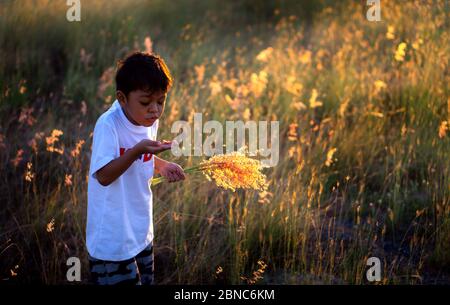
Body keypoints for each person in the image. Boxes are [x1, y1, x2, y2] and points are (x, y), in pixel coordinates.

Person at [86, 51, 185, 285]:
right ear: (122, 98)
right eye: (146, 102)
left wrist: (161, 166)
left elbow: (142, 158)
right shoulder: (109, 125)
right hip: (113, 240)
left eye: (161, 101)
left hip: (140, 231)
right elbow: (103, 175)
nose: (155, 110)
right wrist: (137, 151)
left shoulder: (148, 120)